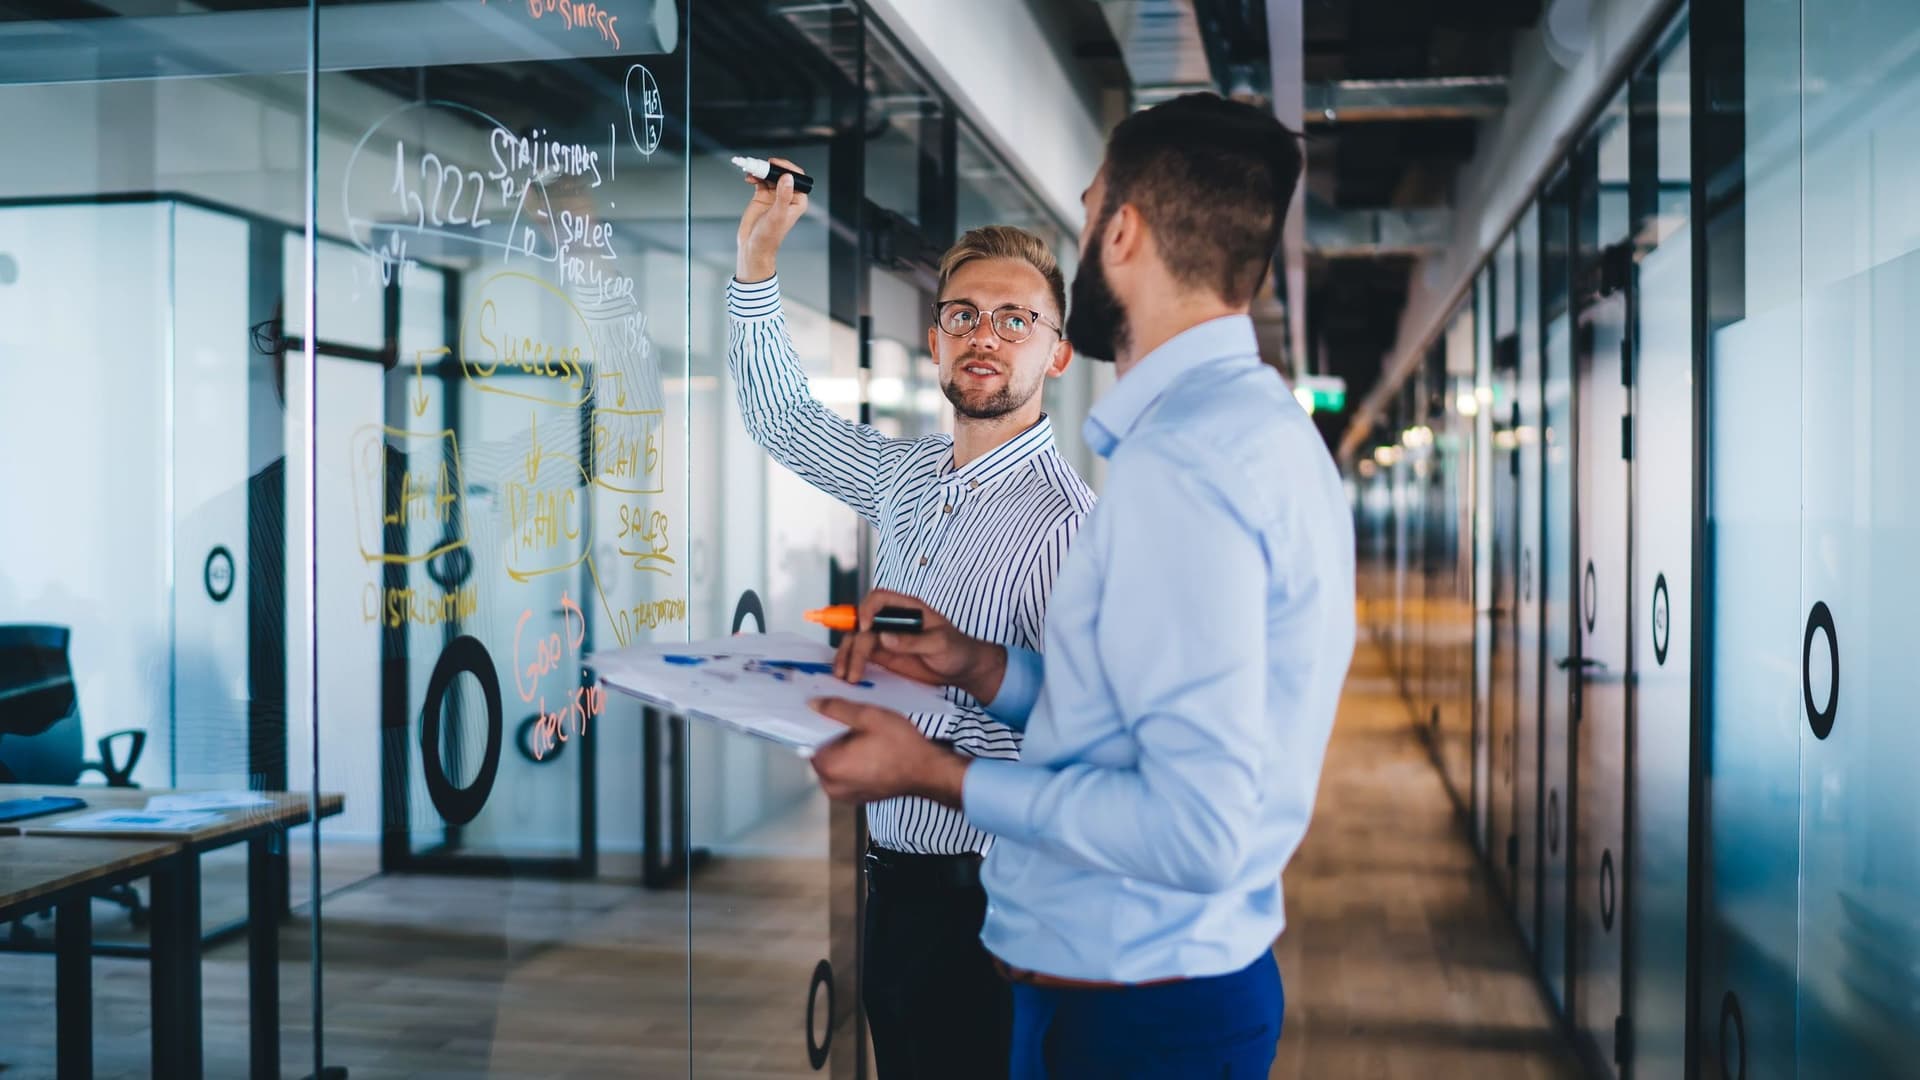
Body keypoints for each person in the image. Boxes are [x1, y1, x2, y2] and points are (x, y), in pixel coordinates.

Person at [805, 93, 1354, 1079]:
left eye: (1090, 208)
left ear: (1125, 234)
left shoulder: (1187, 466)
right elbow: (1141, 719)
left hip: (1141, 1014)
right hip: (1144, 991)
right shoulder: (1243, 432)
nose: (1083, 228)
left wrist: (935, 775)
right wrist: (979, 667)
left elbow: (1192, 826)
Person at [728, 160, 1095, 1079]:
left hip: (995, 902)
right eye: (965, 315)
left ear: (1058, 352)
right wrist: (757, 266)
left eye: (1018, 320)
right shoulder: (906, 478)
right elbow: (779, 419)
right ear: (934, 340)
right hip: (893, 883)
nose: (986, 336)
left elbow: (1079, 735)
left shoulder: (1069, 525)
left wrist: (920, 724)